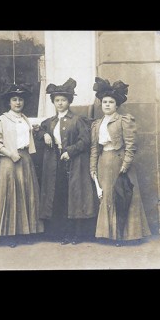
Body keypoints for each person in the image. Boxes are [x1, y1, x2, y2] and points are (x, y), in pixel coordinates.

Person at [90, 78, 151, 245]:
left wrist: (125, 165)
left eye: (111, 102)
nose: (107, 105)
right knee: (107, 197)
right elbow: (95, 148)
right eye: (104, 102)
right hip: (104, 163)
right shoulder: (97, 124)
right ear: (101, 104)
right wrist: (93, 168)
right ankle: (109, 235)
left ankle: (124, 236)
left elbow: (131, 145)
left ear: (117, 105)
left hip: (120, 162)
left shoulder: (124, 120)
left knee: (122, 196)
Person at [36, 78, 98, 244]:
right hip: (55, 164)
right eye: (57, 100)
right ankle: (62, 234)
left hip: (74, 163)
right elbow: (39, 130)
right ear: (53, 102)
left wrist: (69, 151)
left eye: (63, 100)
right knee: (59, 197)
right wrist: (44, 134)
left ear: (69, 101)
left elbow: (85, 141)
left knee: (74, 198)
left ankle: (75, 235)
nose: (60, 103)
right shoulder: (50, 122)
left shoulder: (77, 120)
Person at [0, 83, 44, 247]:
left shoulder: (25, 119)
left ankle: (26, 232)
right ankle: (9, 234)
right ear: (9, 102)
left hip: (25, 159)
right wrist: (10, 153)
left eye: (20, 100)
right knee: (10, 195)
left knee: (26, 194)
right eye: (14, 99)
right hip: (9, 161)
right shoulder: (3, 119)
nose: (18, 103)